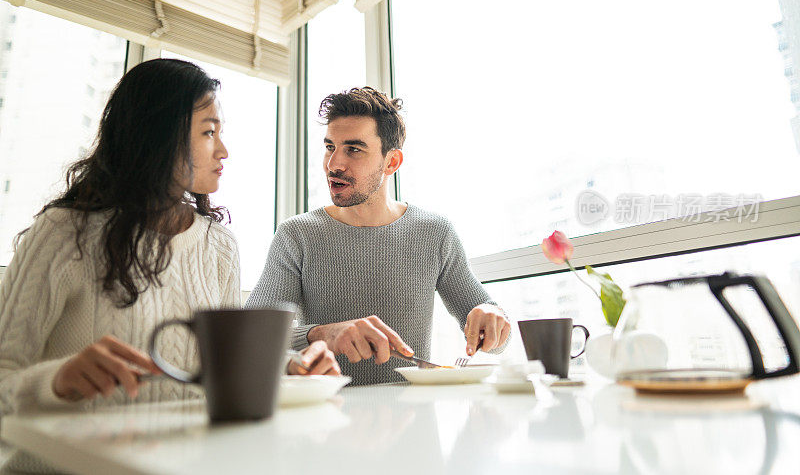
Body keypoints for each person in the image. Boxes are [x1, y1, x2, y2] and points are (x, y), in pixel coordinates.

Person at [0, 59, 339, 420]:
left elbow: (223, 367)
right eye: (209, 133)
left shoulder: (219, 246)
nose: (223, 150)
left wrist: (294, 367)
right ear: (158, 134)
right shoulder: (65, 232)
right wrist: (55, 381)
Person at [247, 87, 511, 385]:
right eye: (330, 147)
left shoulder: (435, 233)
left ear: (392, 162)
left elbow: (498, 341)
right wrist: (321, 334)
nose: (334, 164)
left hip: (414, 422)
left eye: (354, 149)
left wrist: (492, 315)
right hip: (327, 423)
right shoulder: (297, 236)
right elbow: (251, 338)